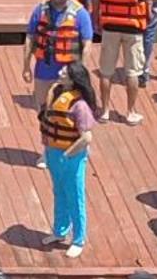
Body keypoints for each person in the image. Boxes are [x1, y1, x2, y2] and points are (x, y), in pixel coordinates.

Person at [38, 59, 97, 257]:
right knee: (59, 192)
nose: (61, 71)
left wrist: (69, 153)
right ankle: (60, 230)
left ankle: (78, 238)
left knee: (75, 194)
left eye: (66, 71)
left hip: (72, 155)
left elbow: (86, 137)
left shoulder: (79, 105)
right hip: (54, 153)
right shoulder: (57, 94)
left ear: (73, 79)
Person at [90, 0, 152, 124]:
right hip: (133, 28)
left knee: (106, 71)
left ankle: (105, 111)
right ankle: (130, 112)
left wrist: (96, 19)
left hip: (109, 25)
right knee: (132, 72)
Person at [23, 0, 94, 103]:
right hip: (43, 69)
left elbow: (87, 43)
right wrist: (26, 66)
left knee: (65, 110)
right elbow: (30, 37)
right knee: (42, 109)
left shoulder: (80, 13)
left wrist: (80, 70)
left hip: (68, 72)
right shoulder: (40, 10)